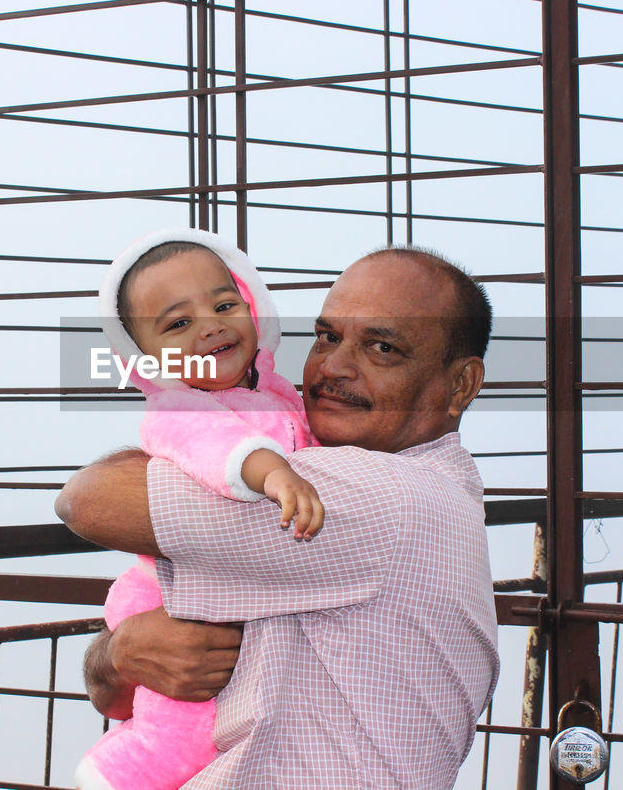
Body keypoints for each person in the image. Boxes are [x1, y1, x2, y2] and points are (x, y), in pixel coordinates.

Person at [57, 246, 499, 789]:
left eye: (382, 347)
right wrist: (120, 655)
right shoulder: (326, 470)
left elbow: (87, 501)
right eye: (328, 337)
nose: (333, 367)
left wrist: (118, 656)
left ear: (460, 385)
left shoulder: (384, 497)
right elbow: (120, 687)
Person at [75, 228, 323, 790]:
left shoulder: (276, 392)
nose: (210, 324)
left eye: (224, 303)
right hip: (175, 592)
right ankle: (121, 773)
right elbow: (219, 450)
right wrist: (276, 472)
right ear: (144, 357)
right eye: (178, 323)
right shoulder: (178, 407)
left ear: (254, 307)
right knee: (182, 716)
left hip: (226, 580)